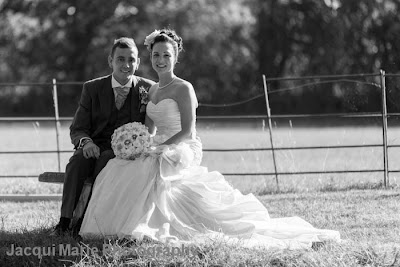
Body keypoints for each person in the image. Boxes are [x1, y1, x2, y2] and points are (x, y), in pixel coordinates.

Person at [79, 29, 340, 249]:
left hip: (181, 145)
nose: (160, 60)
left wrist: (159, 148)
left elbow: (188, 132)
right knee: (120, 166)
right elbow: (149, 129)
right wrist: (141, 143)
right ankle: (112, 225)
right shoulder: (152, 89)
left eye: (166, 55)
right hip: (159, 143)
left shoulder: (183, 88)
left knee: (152, 170)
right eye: (156, 55)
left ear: (175, 57)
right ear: (150, 56)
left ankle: (154, 224)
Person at [51, 37, 155, 236]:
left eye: (131, 60)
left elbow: (151, 126)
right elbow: (78, 127)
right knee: (77, 161)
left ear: (138, 62)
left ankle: (84, 220)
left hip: (123, 154)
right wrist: (86, 142)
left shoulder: (148, 88)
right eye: (120, 59)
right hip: (93, 146)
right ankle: (64, 221)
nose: (126, 65)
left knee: (107, 159)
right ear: (110, 61)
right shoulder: (92, 88)